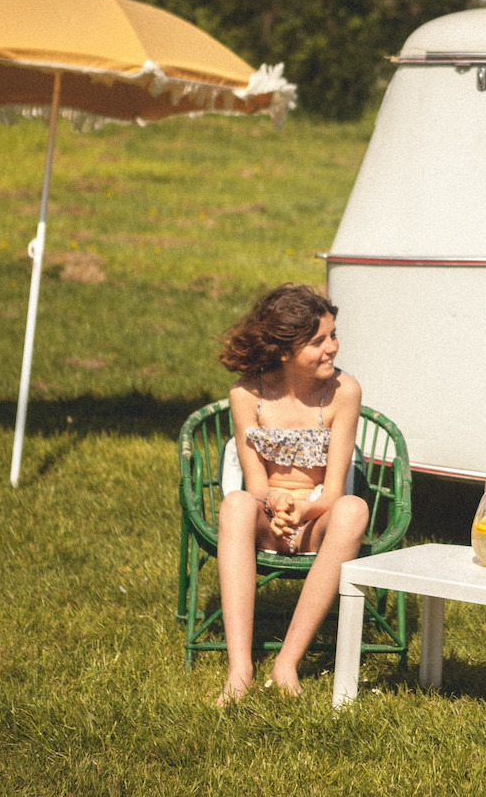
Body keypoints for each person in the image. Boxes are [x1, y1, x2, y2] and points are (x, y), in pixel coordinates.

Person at [213, 283, 369, 706]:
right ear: (284, 351)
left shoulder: (344, 392)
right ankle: (240, 670)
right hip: (269, 517)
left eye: (333, 335)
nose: (332, 347)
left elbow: (334, 491)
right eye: (318, 341)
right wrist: (274, 502)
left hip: (316, 519)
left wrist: (304, 510)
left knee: (354, 509)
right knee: (236, 504)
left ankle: (286, 664)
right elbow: (255, 482)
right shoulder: (246, 395)